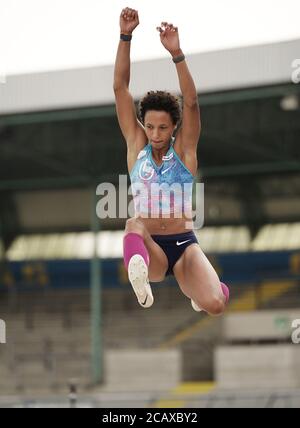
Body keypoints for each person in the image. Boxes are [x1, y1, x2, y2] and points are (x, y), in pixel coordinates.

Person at [113, 7, 229, 315]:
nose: (155, 133)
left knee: (215, 305)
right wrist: (126, 35)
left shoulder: (185, 150)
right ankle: (139, 276)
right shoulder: (137, 145)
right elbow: (120, 89)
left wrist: (177, 53)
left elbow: (190, 102)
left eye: (162, 127)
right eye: (150, 126)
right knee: (133, 222)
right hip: (150, 247)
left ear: (174, 127)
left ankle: (205, 288)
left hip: (183, 243)